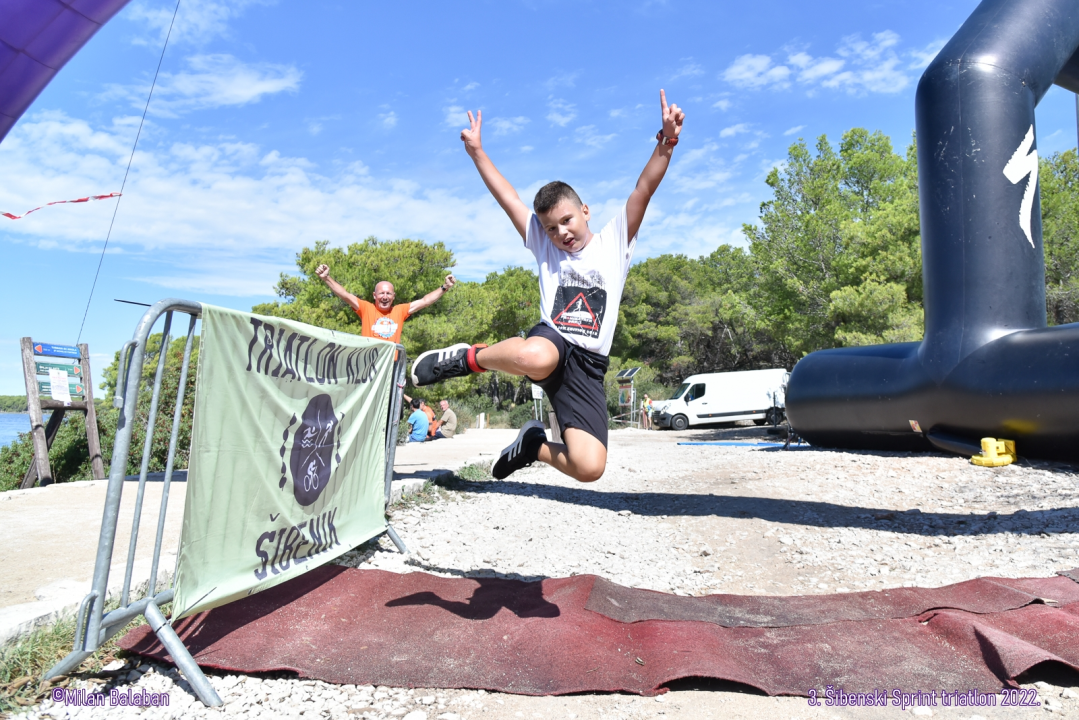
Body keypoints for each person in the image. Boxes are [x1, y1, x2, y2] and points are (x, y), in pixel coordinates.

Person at [411, 90, 684, 483]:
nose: (561, 233)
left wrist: (667, 141)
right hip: (552, 341)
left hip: (589, 366)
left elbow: (643, 188)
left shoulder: (614, 242)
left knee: (589, 467)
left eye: (567, 221)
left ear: (585, 211)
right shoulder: (543, 244)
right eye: (551, 228)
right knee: (536, 358)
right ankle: (466, 358)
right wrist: (477, 153)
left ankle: (532, 445)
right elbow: (507, 196)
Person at [315, 265, 456, 345]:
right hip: (370, 361)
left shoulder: (400, 310)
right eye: (381, 293)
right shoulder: (366, 308)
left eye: (388, 294)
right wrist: (326, 278)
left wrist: (445, 287)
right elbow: (344, 294)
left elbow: (425, 301)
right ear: (374, 296)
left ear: (393, 297)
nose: (385, 297)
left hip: (391, 364)